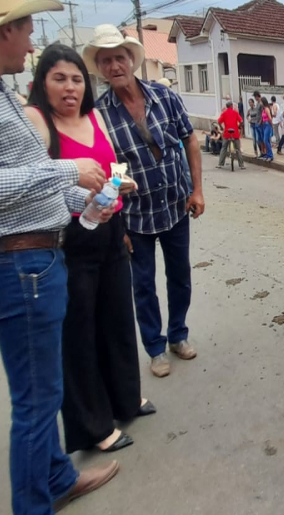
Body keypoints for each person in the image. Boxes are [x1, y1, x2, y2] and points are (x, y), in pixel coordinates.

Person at [0, 0, 119, 514]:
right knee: (35, 401)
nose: (31, 38)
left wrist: (86, 199)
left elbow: (23, 179)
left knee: (42, 393)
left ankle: (54, 477)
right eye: (26, 26)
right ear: (2, 29)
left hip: (29, 256)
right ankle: (34, 502)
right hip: (13, 264)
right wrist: (66, 173)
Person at [24, 44, 156, 455]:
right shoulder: (37, 122)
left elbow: (112, 165)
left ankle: (125, 399)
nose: (70, 88)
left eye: (76, 79)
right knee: (79, 332)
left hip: (110, 227)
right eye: (59, 79)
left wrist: (121, 187)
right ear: (42, 84)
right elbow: (36, 183)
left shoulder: (93, 116)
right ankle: (95, 426)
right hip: (70, 238)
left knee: (117, 317)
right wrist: (83, 199)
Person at [85, 24, 204, 379]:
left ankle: (178, 335)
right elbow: (105, 173)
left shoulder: (163, 96)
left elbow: (190, 141)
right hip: (135, 218)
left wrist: (197, 190)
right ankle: (154, 346)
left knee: (180, 276)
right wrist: (115, 222)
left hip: (175, 206)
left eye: (119, 58)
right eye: (106, 61)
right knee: (143, 284)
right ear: (101, 68)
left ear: (131, 61)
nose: (114, 66)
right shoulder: (100, 114)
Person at [217, 100, 245, 169]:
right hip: (235, 133)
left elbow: (219, 121)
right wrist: (239, 126)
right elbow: (241, 121)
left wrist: (221, 127)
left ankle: (220, 164)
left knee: (224, 148)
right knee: (238, 149)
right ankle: (241, 165)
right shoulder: (235, 113)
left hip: (226, 133)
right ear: (231, 106)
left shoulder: (224, 113)